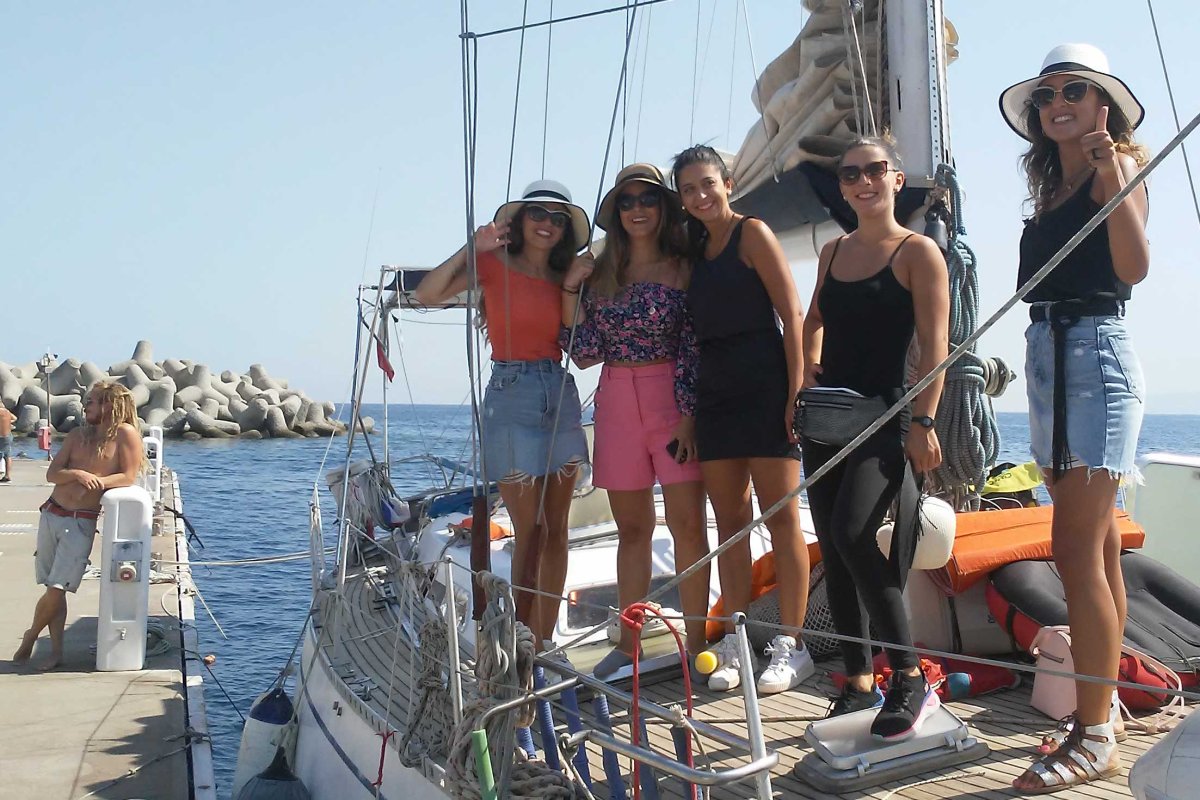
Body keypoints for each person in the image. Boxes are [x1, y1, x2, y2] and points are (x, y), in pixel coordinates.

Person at [1000, 43, 1149, 793]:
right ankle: (1106, 704)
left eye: (1075, 89)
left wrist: (1112, 170)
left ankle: (1092, 736)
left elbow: (1132, 268)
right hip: (1050, 356)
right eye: (1046, 93)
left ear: (1103, 107)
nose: (1056, 99)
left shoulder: (1113, 174)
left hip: (1095, 355)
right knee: (1094, 550)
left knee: (1075, 550)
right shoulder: (1053, 193)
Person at [801, 135, 949, 741]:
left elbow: (936, 347)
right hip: (827, 419)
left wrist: (925, 422)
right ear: (842, 186)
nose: (864, 181)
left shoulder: (919, 254)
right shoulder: (832, 253)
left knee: (854, 533)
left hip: (885, 415)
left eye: (875, 170)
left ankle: (908, 676)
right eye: (851, 174)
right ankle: (859, 681)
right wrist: (807, 369)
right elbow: (813, 321)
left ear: (896, 177)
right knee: (835, 552)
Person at [415, 180, 591, 650]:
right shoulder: (492, 265)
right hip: (510, 392)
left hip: (559, 389)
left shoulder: (567, 273)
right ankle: (521, 638)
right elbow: (427, 295)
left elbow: (584, 342)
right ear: (519, 219)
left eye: (558, 218)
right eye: (538, 214)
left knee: (557, 530)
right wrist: (472, 247)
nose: (547, 224)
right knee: (529, 529)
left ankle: (545, 638)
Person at [671, 145, 813, 694]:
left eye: (708, 183)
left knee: (781, 517)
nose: (701, 195)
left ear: (728, 183)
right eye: (689, 189)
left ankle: (791, 645)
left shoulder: (753, 233)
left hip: (765, 384)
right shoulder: (695, 252)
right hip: (716, 394)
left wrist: (795, 392)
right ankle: (736, 638)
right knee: (729, 524)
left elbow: (792, 312)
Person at [558, 163, 710, 677]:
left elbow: (693, 346)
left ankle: (696, 642)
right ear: (616, 212)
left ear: (662, 207)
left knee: (688, 526)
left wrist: (689, 414)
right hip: (617, 398)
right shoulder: (602, 274)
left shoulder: (684, 267)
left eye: (648, 198)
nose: (638, 208)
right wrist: (568, 294)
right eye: (627, 201)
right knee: (632, 529)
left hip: (672, 397)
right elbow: (584, 353)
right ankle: (629, 642)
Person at [11, 382, 144, 670]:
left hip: (80, 521)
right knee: (51, 588)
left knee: (57, 588)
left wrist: (97, 482)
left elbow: (128, 476)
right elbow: (52, 474)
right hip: (51, 513)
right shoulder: (76, 435)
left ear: (110, 404)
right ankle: (56, 652)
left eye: (92, 401)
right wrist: (76, 473)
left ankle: (31, 635)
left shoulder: (125, 434)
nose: (86, 406)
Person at [0, 406, 15, 482]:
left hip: (0, 436)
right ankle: (7, 475)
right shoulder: (7, 411)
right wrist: (7, 421)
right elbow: (15, 418)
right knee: (8, 456)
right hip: (8, 435)